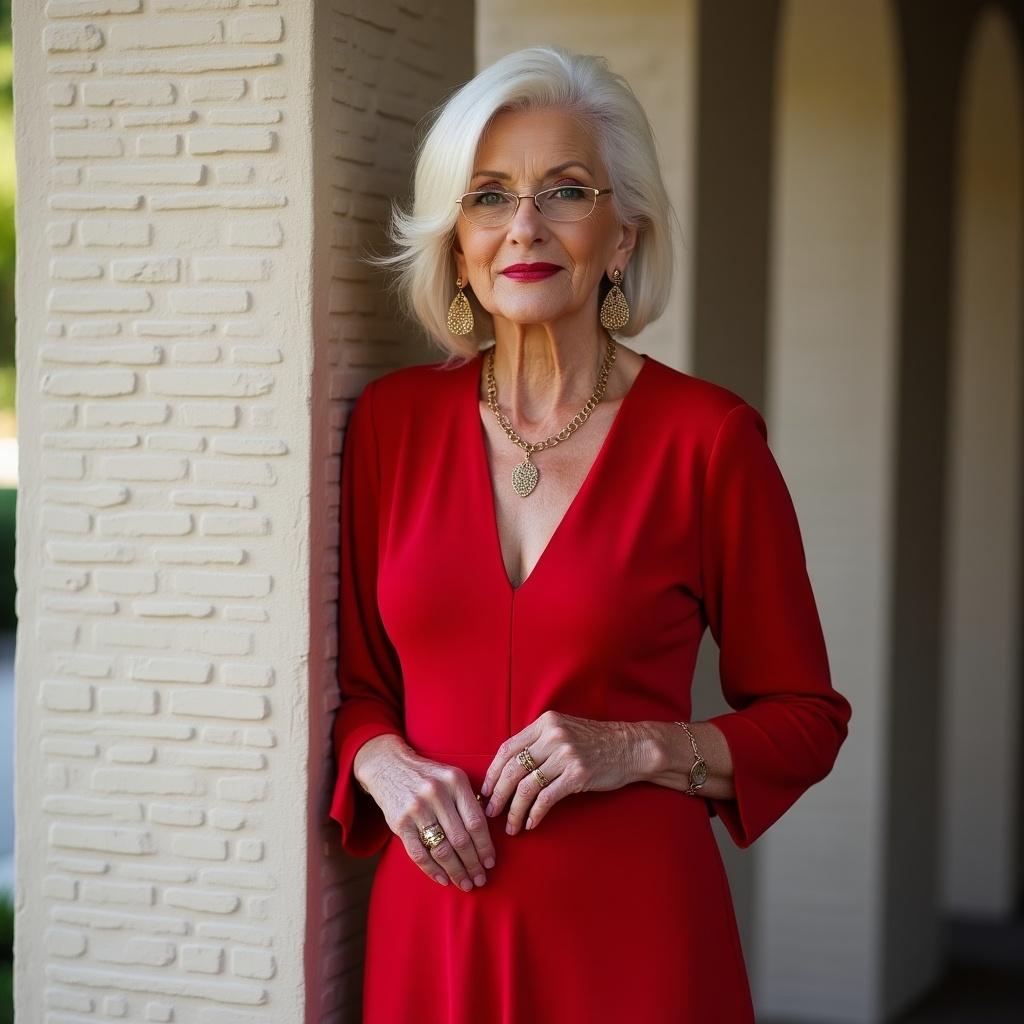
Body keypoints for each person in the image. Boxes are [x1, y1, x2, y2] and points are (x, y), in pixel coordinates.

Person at [329, 44, 852, 1023]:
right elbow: (360, 686)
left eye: (565, 191)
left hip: (637, 943)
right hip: (433, 939)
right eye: (488, 196)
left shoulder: (710, 440)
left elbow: (806, 715)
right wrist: (379, 762)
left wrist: (636, 747)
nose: (523, 225)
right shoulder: (391, 424)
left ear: (620, 236)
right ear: (455, 242)